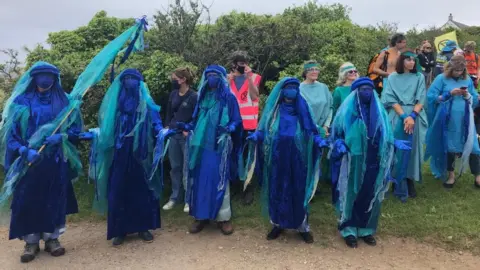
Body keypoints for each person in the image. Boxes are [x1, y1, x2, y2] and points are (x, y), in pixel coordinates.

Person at [0, 62, 83, 263]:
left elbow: (76, 131)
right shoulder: (21, 101)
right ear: (33, 78)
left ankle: (52, 239)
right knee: (28, 199)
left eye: (49, 75)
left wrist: (61, 137)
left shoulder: (66, 102)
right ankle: (30, 242)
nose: (45, 79)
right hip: (29, 162)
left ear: (55, 78)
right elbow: (9, 134)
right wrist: (23, 150)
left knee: (54, 198)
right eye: (41, 75)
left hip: (55, 161)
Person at [83, 69, 163, 246]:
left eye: (133, 78)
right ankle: (120, 230)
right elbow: (106, 126)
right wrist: (94, 135)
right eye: (126, 78)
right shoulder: (116, 102)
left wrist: (161, 131)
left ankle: (144, 227)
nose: (130, 81)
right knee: (119, 188)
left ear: (140, 82)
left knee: (141, 188)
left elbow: (155, 119)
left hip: (141, 152)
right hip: (119, 153)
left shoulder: (145, 100)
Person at [329, 77, 410, 248]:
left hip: (374, 159)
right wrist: (340, 144)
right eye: (363, 89)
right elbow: (336, 135)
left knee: (370, 192)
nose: (366, 92)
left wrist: (394, 142)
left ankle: (366, 229)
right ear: (356, 92)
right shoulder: (346, 113)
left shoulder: (380, 113)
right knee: (351, 192)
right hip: (352, 160)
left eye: (369, 89)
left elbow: (385, 134)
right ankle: (348, 229)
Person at [246, 77, 328, 244]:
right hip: (277, 158)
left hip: (299, 158)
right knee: (277, 189)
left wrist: (318, 141)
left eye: (294, 87)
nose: (291, 90)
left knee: (298, 190)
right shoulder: (274, 111)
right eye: (288, 87)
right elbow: (264, 129)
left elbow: (311, 130)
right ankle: (277, 224)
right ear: (281, 91)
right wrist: (257, 136)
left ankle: (302, 226)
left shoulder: (303, 108)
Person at [178, 65, 243, 235]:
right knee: (200, 180)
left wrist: (229, 128)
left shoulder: (229, 98)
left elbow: (237, 120)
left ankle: (223, 218)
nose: (212, 78)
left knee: (219, 180)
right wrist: (188, 126)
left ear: (221, 78)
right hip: (200, 146)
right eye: (209, 75)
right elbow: (195, 118)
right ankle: (201, 216)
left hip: (219, 146)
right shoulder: (202, 97)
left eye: (215, 75)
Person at [426, 55, 480, 189]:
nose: (458, 73)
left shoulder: (467, 79)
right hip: (447, 118)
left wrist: (467, 95)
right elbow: (431, 97)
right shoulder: (441, 79)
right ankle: (451, 175)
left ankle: (478, 176)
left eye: (461, 70)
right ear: (450, 68)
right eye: (456, 70)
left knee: (472, 144)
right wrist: (449, 94)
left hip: (465, 118)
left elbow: (474, 96)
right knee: (449, 145)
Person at [382, 51, 427, 201]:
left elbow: (421, 97)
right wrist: (404, 117)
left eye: (413, 60)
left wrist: (412, 116)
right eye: (408, 60)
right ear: (402, 61)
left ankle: (410, 178)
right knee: (396, 148)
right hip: (398, 114)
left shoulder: (419, 77)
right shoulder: (393, 77)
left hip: (414, 114)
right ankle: (396, 178)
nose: (412, 62)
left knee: (413, 149)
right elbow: (390, 98)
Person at [228, 51, 261, 206]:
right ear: (234, 64)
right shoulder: (228, 79)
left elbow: (255, 97)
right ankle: (234, 185)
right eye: (240, 63)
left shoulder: (254, 77)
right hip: (232, 124)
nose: (243, 65)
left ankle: (248, 187)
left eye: (245, 62)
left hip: (249, 124)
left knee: (248, 156)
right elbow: (224, 98)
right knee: (233, 154)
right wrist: (228, 82)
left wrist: (249, 78)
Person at [163, 67, 198, 212]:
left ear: (183, 79)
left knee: (187, 168)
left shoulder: (194, 96)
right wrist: (166, 127)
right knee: (175, 167)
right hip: (173, 135)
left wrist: (189, 128)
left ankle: (189, 199)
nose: (173, 81)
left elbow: (197, 116)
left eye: (175, 78)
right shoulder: (173, 94)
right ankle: (174, 196)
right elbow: (169, 113)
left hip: (186, 136)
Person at [300, 60, 333, 183]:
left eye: (316, 69)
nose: (314, 72)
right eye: (310, 69)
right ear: (305, 72)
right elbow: (302, 112)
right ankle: (304, 183)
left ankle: (315, 184)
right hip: (307, 128)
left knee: (318, 156)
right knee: (305, 156)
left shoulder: (323, 87)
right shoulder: (300, 89)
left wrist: (326, 126)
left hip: (323, 129)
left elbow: (330, 107)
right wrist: (314, 127)